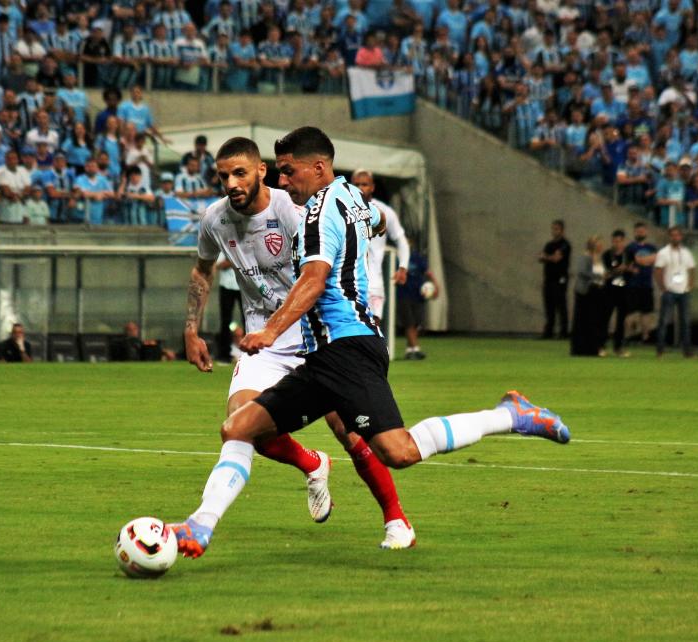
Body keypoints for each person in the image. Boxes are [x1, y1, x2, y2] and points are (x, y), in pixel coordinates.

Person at [171, 127, 570, 559]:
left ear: (316, 168)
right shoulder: (347, 195)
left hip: (346, 345)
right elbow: (375, 220)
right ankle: (200, 526)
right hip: (319, 351)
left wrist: (270, 329)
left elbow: (314, 278)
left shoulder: (314, 213)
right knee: (238, 427)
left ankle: (508, 415)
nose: (282, 183)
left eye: (286, 172)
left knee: (397, 450)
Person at [182, 136, 417, 549]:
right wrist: (191, 329)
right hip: (263, 338)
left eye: (240, 173)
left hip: (311, 330)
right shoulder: (215, 219)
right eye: (223, 176)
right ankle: (310, 463)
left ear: (261, 171)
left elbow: (338, 246)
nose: (231, 183)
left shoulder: (294, 210)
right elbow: (202, 270)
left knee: (348, 428)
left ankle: (396, 518)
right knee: (239, 424)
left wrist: (374, 222)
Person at [351, 169, 410, 322]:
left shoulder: (385, 211)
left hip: (372, 283)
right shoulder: (341, 209)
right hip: (345, 281)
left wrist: (403, 267)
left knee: (372, 330)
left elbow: (400, 239)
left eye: (364, 184)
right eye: (356, 184)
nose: (360, 188)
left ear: (372, 187)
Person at [654, 226, 696, 357]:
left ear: (681, 237)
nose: (675, 237)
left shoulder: (686, 252)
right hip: (669, 291)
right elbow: (658, 270)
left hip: (683, 291)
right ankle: (660, 350)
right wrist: (663, 288)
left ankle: (687, 351)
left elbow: (692, 269)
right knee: (664, 321)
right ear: (669, 237)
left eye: (677, 235)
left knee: (685, 322)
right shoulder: (663, 253)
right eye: (673, 235)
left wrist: (690, 285)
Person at [397, 244, 438, 360]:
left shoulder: (417, 258)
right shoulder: (397, 258)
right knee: (409, 323)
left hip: (418, 296)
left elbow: (428, 273)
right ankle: (416, 348)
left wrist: (436, 286)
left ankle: (410, 350)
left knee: (416, 324)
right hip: (403, 295)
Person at [570, 235, 606, 357]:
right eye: (598, 244)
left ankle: (592, 347)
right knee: (583, 320)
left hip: (596, 292)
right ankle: (580, 348)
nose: (601, 246)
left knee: (594, 321)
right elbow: (582, 272)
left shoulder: (600, 259)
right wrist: (598, 277)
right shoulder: (585, 257)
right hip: (586, 292)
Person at [625, 222, 658, 344]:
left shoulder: (651, 247)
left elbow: (654, 259)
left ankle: (645, 336)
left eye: (643, 231)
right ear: (635, 232)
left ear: (646, 232)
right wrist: (644, 261)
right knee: (631, 312)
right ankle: (628, 336)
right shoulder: (630, 248)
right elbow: (628, 264)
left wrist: (641, 260)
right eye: (638, 231)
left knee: (646, 312)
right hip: (633, 285)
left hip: (647, 284)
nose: (641, 233)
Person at [601, 229, 632, 357]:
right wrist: (619, 270)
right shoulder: (607, 255)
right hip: (609, 290)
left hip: (623, 290)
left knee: (621, 320)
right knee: (605, 318)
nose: (616, 244)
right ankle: (601, 345)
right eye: (614, 241)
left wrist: (629, 270)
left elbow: (632, 270)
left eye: (619, 241)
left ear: (623, 241)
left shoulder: (628, 254)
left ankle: (618, 347)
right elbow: (606, 274)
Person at [538, 219, 570, 339]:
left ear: (562, 230)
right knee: (549, 306)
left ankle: (563, 332)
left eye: (556, 229)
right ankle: (548, 331)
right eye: (553, 229)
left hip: (560, 279)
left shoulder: (565, 245)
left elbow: (556, 258)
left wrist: (547, 257)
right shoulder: (549, 244)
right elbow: (540, 257)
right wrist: (548, 257)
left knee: (561, 306)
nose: (554, 231)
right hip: (549, 278)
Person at [214, 252, 242, 364]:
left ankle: (250, 355)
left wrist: (232, 260)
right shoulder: (224, 247)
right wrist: (235, 260)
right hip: (226, 286)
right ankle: (224, 355)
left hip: (243, 286)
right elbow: (219, 265)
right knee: (225, 321)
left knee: (248, 319)